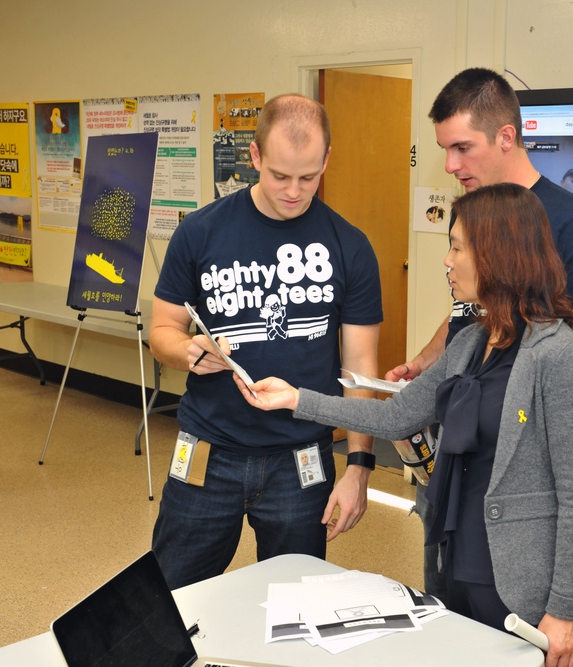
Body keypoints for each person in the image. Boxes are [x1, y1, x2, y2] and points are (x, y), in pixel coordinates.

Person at [237, 183, 573, 667]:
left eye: (455, 247)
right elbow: (395, 416)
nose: (446, 261)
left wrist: (566, 611)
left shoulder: (559, 355)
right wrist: (296, 399)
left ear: (497, 254)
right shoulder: (471, 341)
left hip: (517, 577)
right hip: (455, 553)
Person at [385, 67, 573, 601]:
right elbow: (476, 313)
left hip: (512, 459)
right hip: (457, 454)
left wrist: (498, 384)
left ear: (507, 136)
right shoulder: (479, 215)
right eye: (445, 150)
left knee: (505, 611)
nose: (450, 165)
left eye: (462, 148)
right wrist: (428, 363)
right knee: (446, 599)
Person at [148, 94, 383, 590]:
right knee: (172, 596)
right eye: (279, 176)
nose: (295, 191)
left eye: (308, 177)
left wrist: (360, 465)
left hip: (302, 460)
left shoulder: (350, 246)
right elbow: (162, 331)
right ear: (254, 157)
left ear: (326, 161)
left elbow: (359, 367)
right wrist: (189, 352)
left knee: (296, 608)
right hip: (208, 450)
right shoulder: (200, 231)